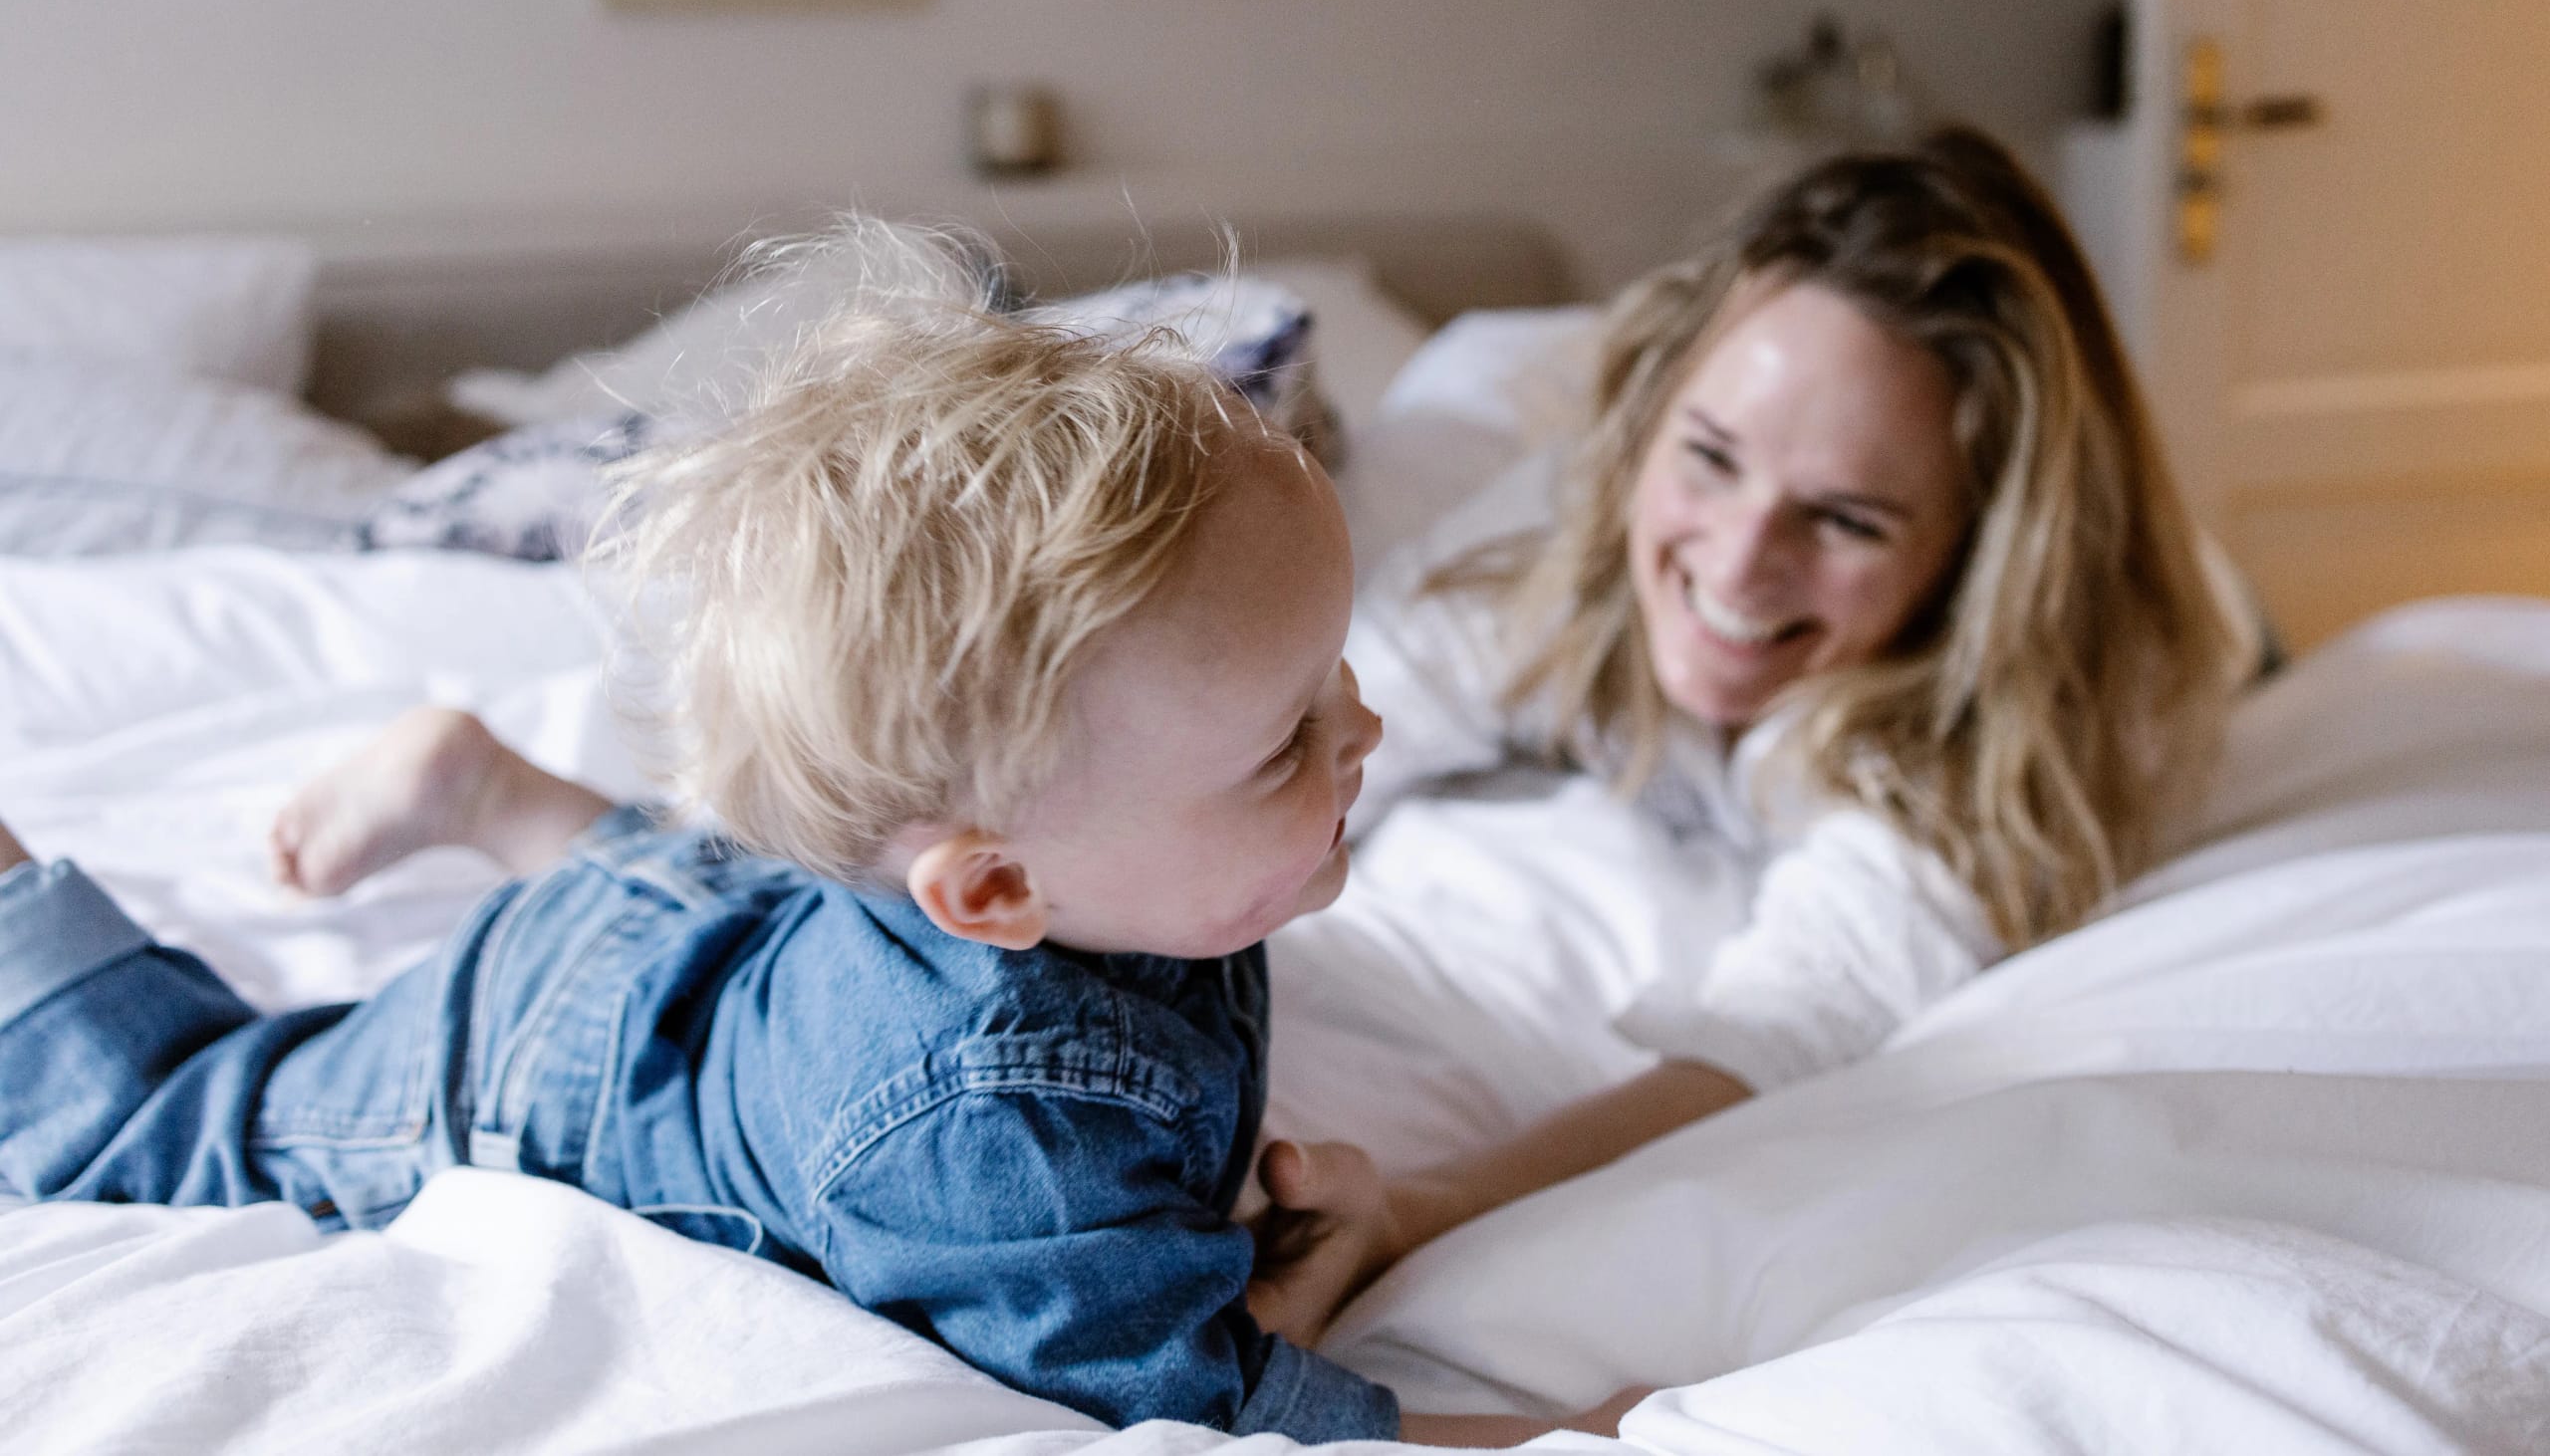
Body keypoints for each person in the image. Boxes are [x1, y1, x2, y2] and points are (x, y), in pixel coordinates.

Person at [0, 228, 1624, 1446]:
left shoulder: (1063, 855)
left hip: (701, 932)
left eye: (1334, 677)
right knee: (171, 1119)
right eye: (1289, 738)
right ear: (992, 889)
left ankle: (505, 801)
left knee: (736, 894)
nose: (1367, 733)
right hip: (519, 1066)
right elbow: (1195, 1404)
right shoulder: (1001, 1132)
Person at [1248, 126, 2261, 1341]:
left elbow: (1771, 1043)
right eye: (1711, 456)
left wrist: (1412, 1215)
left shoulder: (2037, 698)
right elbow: (1340, 714)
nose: (1736, 563)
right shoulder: (1588, 511)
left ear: (1972, 553)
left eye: (1846, 519)